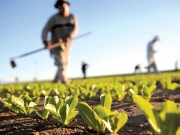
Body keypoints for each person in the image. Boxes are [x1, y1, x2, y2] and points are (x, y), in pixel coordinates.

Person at [42, 0, 78, 84]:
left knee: (65, 63)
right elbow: (45, 30)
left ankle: (56, 80)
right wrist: (45, 41)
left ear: (68, 6)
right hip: (56, 44)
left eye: (64, 6)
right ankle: (64, 80)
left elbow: (75, 29)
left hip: (67, 45)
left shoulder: (72, 17)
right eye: (60, 6)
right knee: (61, 62)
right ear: (58, 8)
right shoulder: (53, 19)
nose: (62, 8)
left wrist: (70, 36)